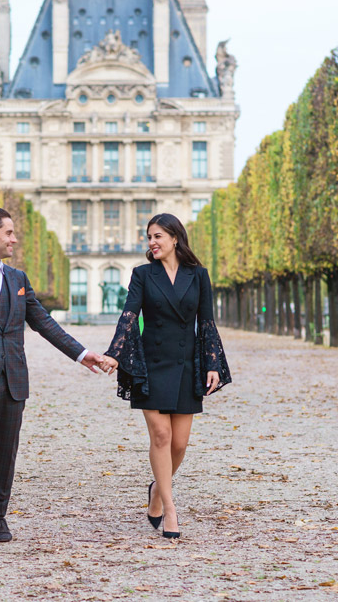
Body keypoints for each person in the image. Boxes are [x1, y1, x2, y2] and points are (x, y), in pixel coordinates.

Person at [0, 208, 109, 554]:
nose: (14, 239)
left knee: (5, 454)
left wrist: (81, 353)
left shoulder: (18, 280)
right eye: (9, 233)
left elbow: (44, 323)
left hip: (13, 381)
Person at [100, 213, 231, 539]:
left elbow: (207, 322)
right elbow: (129, 315)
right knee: (161, 436)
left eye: (158, 236)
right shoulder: (143, 275)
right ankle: (170, 510)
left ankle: (158, 490)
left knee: (180, 443)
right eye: (149, 238)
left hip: (186, 364)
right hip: (152, 363)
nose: (152, 243)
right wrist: (115, 354)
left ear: (175, 238)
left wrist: (212, 363)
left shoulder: (198, 275)